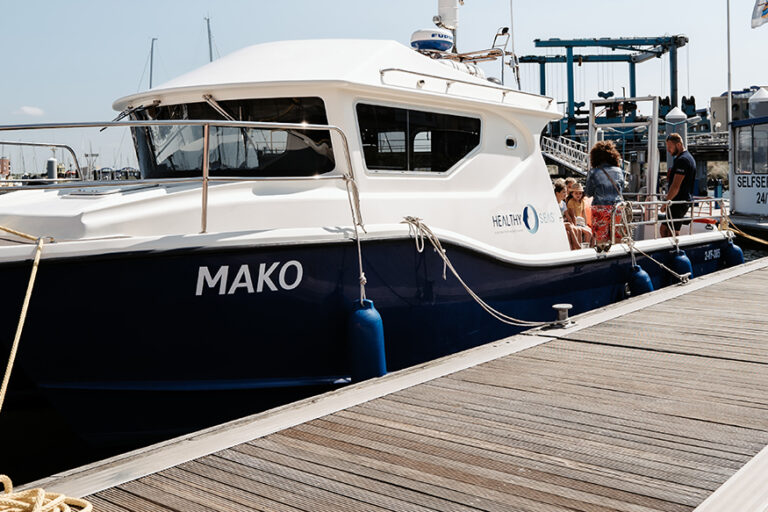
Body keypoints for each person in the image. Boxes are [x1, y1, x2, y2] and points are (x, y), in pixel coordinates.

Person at [585, 141, 625, 251]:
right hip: (617, 208)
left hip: (600, 209)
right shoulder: (619, 171)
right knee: (618, 239)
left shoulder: (594, 172)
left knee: (601, 241)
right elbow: (622, 189)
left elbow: (588, 193)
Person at [661, 133, 696, 237]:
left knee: (671, 230)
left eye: (670, 147)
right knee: (666, 229)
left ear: (679, 145)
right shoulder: (685, 158)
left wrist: (665, 203)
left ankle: (673, 250)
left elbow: (676, 186)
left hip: (679, 201)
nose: (668, 150)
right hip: (679, 200)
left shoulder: (683, 160)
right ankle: (669, 250)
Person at [567, 182, 592, 247]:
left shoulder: (582, 202)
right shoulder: (571, 202)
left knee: (592, 232)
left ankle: (590, 248)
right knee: (588, 233)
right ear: (572, 193)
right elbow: (572, 216)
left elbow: (584, 214)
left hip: (580, 222)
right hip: (574, 222)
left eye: (580, 193)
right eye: (576, 193)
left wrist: (585, 225)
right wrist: (576, 226)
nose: (578, 195)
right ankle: (584, 248)